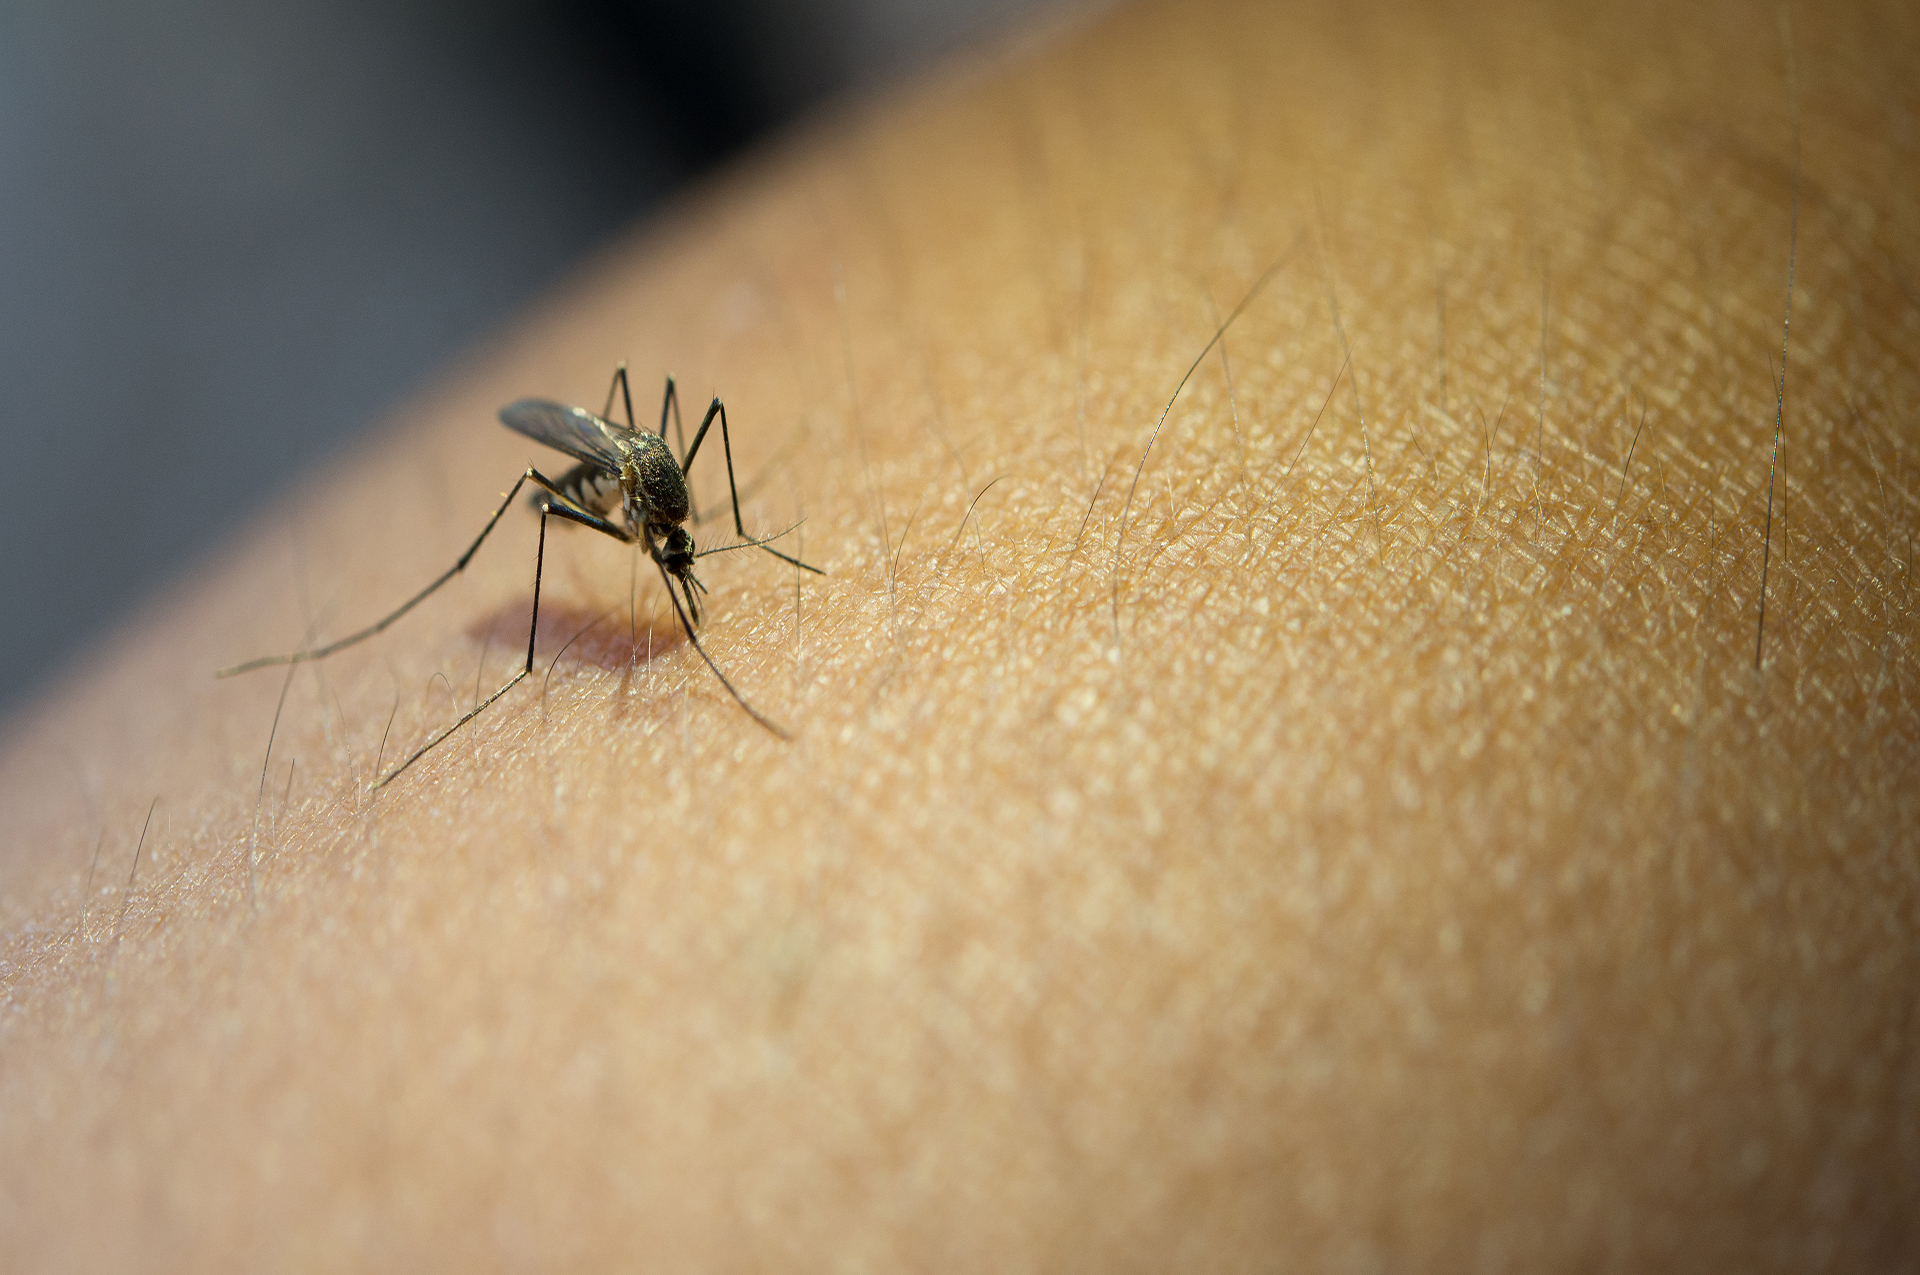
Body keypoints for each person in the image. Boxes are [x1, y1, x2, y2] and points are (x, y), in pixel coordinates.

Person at [2, 0, 1913, 1265]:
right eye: (673, 549)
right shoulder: (593, 501)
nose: (667, 566)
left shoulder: (677, 483)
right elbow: (572, 463)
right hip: (547, 490)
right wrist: (606, 579)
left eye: (670, 547)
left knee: (663, 358)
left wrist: (720, 546)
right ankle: (455, 637)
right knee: (544, 472)